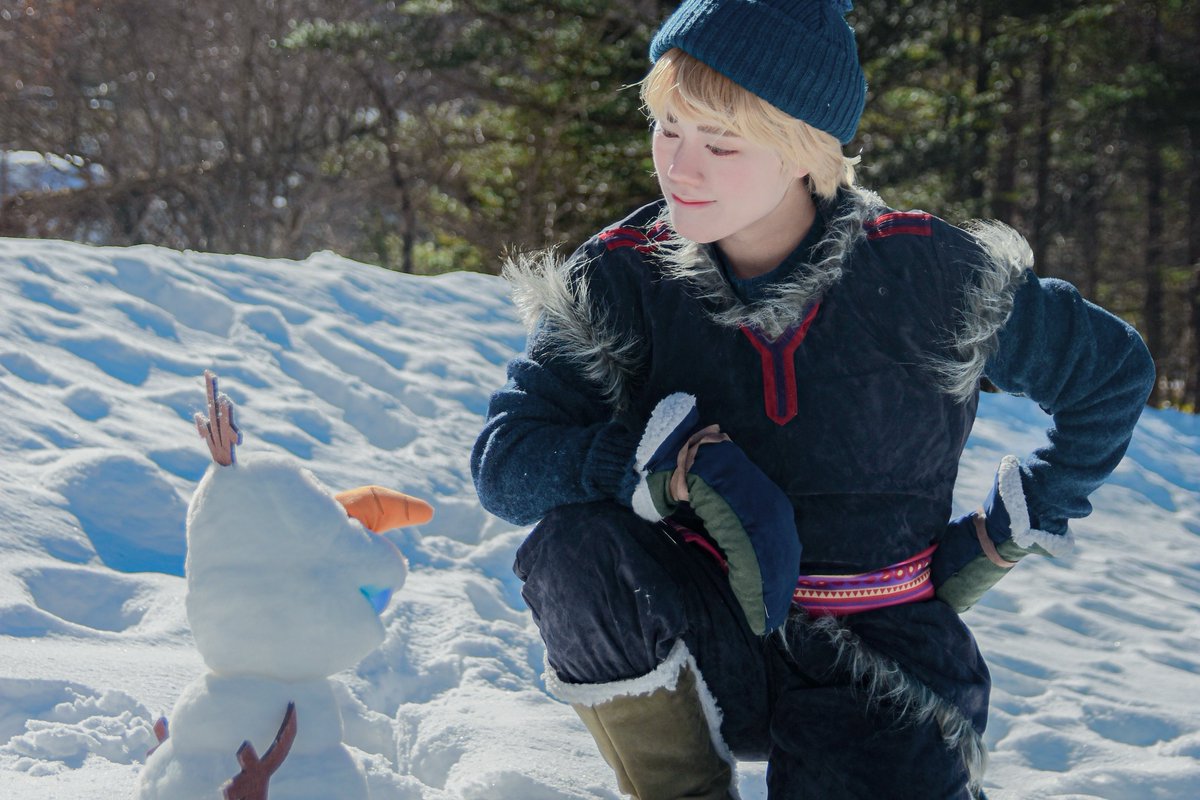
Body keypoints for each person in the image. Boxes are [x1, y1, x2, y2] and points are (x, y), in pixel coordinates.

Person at [471, 1, 1155, 797]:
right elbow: (505, 464)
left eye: (720, 143)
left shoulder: (926, 275)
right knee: (572, 549)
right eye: (666, 128)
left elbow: (1112, 373)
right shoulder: (624, 277)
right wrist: (660, 466)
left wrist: (1029, 517)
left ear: (804, 148)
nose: (678, 168)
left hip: (886, 667)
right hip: (706, 636)